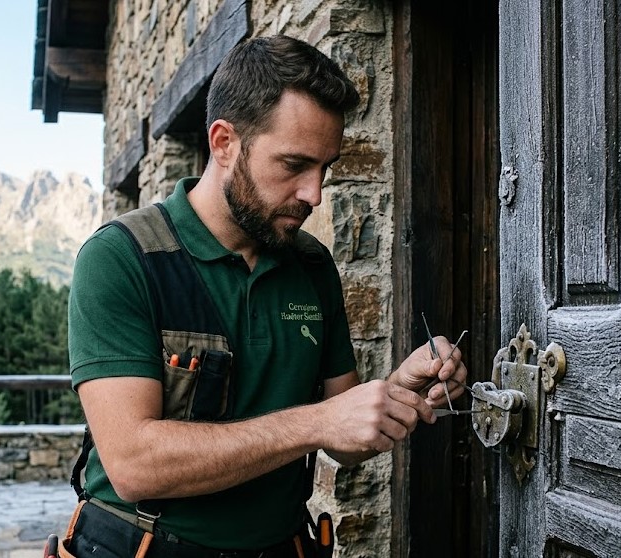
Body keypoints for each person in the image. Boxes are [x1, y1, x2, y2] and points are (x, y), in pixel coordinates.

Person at [66, 35, 467, 558]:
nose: (313, 194)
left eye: (325, 168)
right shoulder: (121, 258)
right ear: (224, 143)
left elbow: (343, 440)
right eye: (294, 165)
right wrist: (317, 422)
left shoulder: (312, 266)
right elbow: (133, 466)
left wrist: (396, 393)